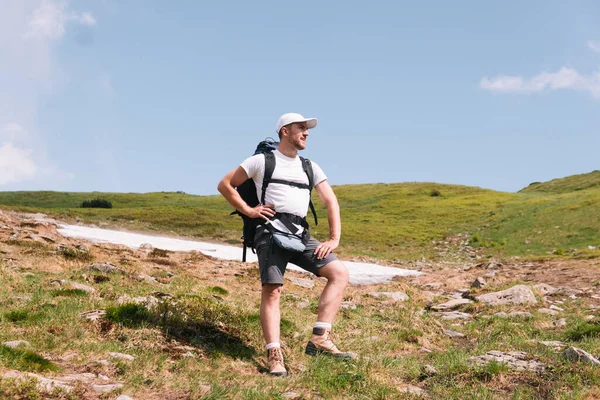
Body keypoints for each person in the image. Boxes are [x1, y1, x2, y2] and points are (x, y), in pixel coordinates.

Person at [217, 113, 353, 376]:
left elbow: (330, 201)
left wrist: (334, 239)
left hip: (300, 233)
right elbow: (225, 185)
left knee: (339, 273)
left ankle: (320, 339)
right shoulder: (261, 161)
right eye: (301, 128)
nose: (307, 133)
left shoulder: (311, 167)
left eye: (306, 128)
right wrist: (249, 210)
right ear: (285, 131)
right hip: (269, 231)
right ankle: (274, 354)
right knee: (273, 290)